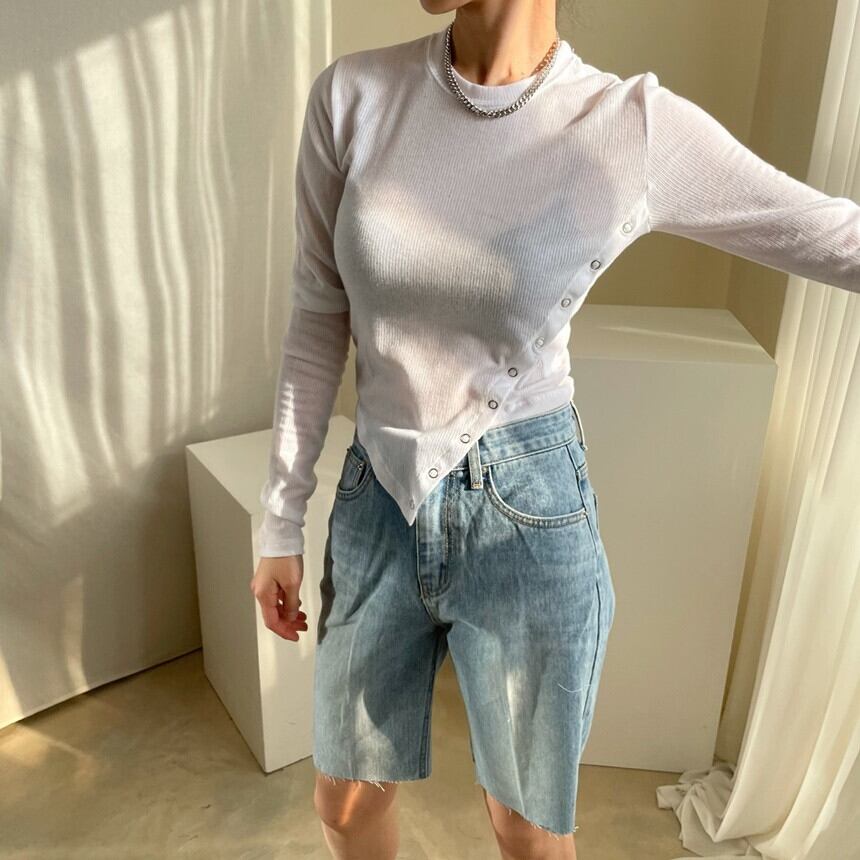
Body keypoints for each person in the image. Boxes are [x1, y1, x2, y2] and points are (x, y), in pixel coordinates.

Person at [249, 1, 860, 857]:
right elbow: (319, 313)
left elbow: (834, 234)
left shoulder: (624, 125)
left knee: (527, 831)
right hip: (375, 501)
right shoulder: (352, 96)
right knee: (344, 799)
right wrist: (280, 517)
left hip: (528, 514)